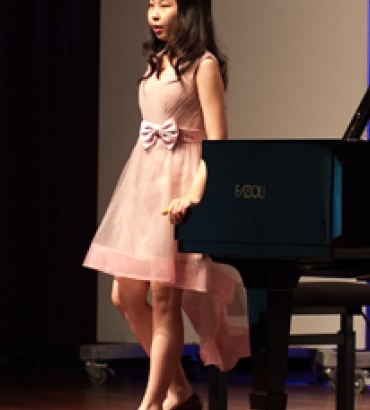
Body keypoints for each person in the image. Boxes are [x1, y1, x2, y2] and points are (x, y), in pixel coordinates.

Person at [83, 1, 249, 409]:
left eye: (165, 4)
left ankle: (152, 404)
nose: (154, 14)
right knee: (123, 295)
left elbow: (217, 142)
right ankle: (180, 391)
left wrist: (193, 194)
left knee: (164, 297)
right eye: (151, 4)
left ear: (188, 9)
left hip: (181, 182)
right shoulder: (158, 60)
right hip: (145, 180)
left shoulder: (203, 64)